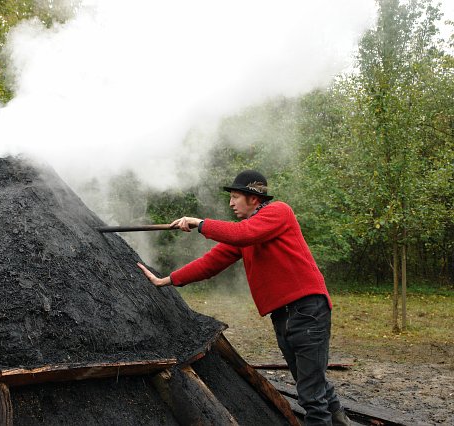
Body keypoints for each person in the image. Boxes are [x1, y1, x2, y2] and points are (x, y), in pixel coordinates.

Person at [137, 170, 351, 426]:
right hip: (283, 315)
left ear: (253, 198)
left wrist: (199, 223)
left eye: (235, 197)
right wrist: (168, 279)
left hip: (307, 310)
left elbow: (242, 234)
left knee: (311, 394)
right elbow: (211, 263)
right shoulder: (248, 233)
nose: (231, 203)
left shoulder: (278, 212)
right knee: (311, 382)